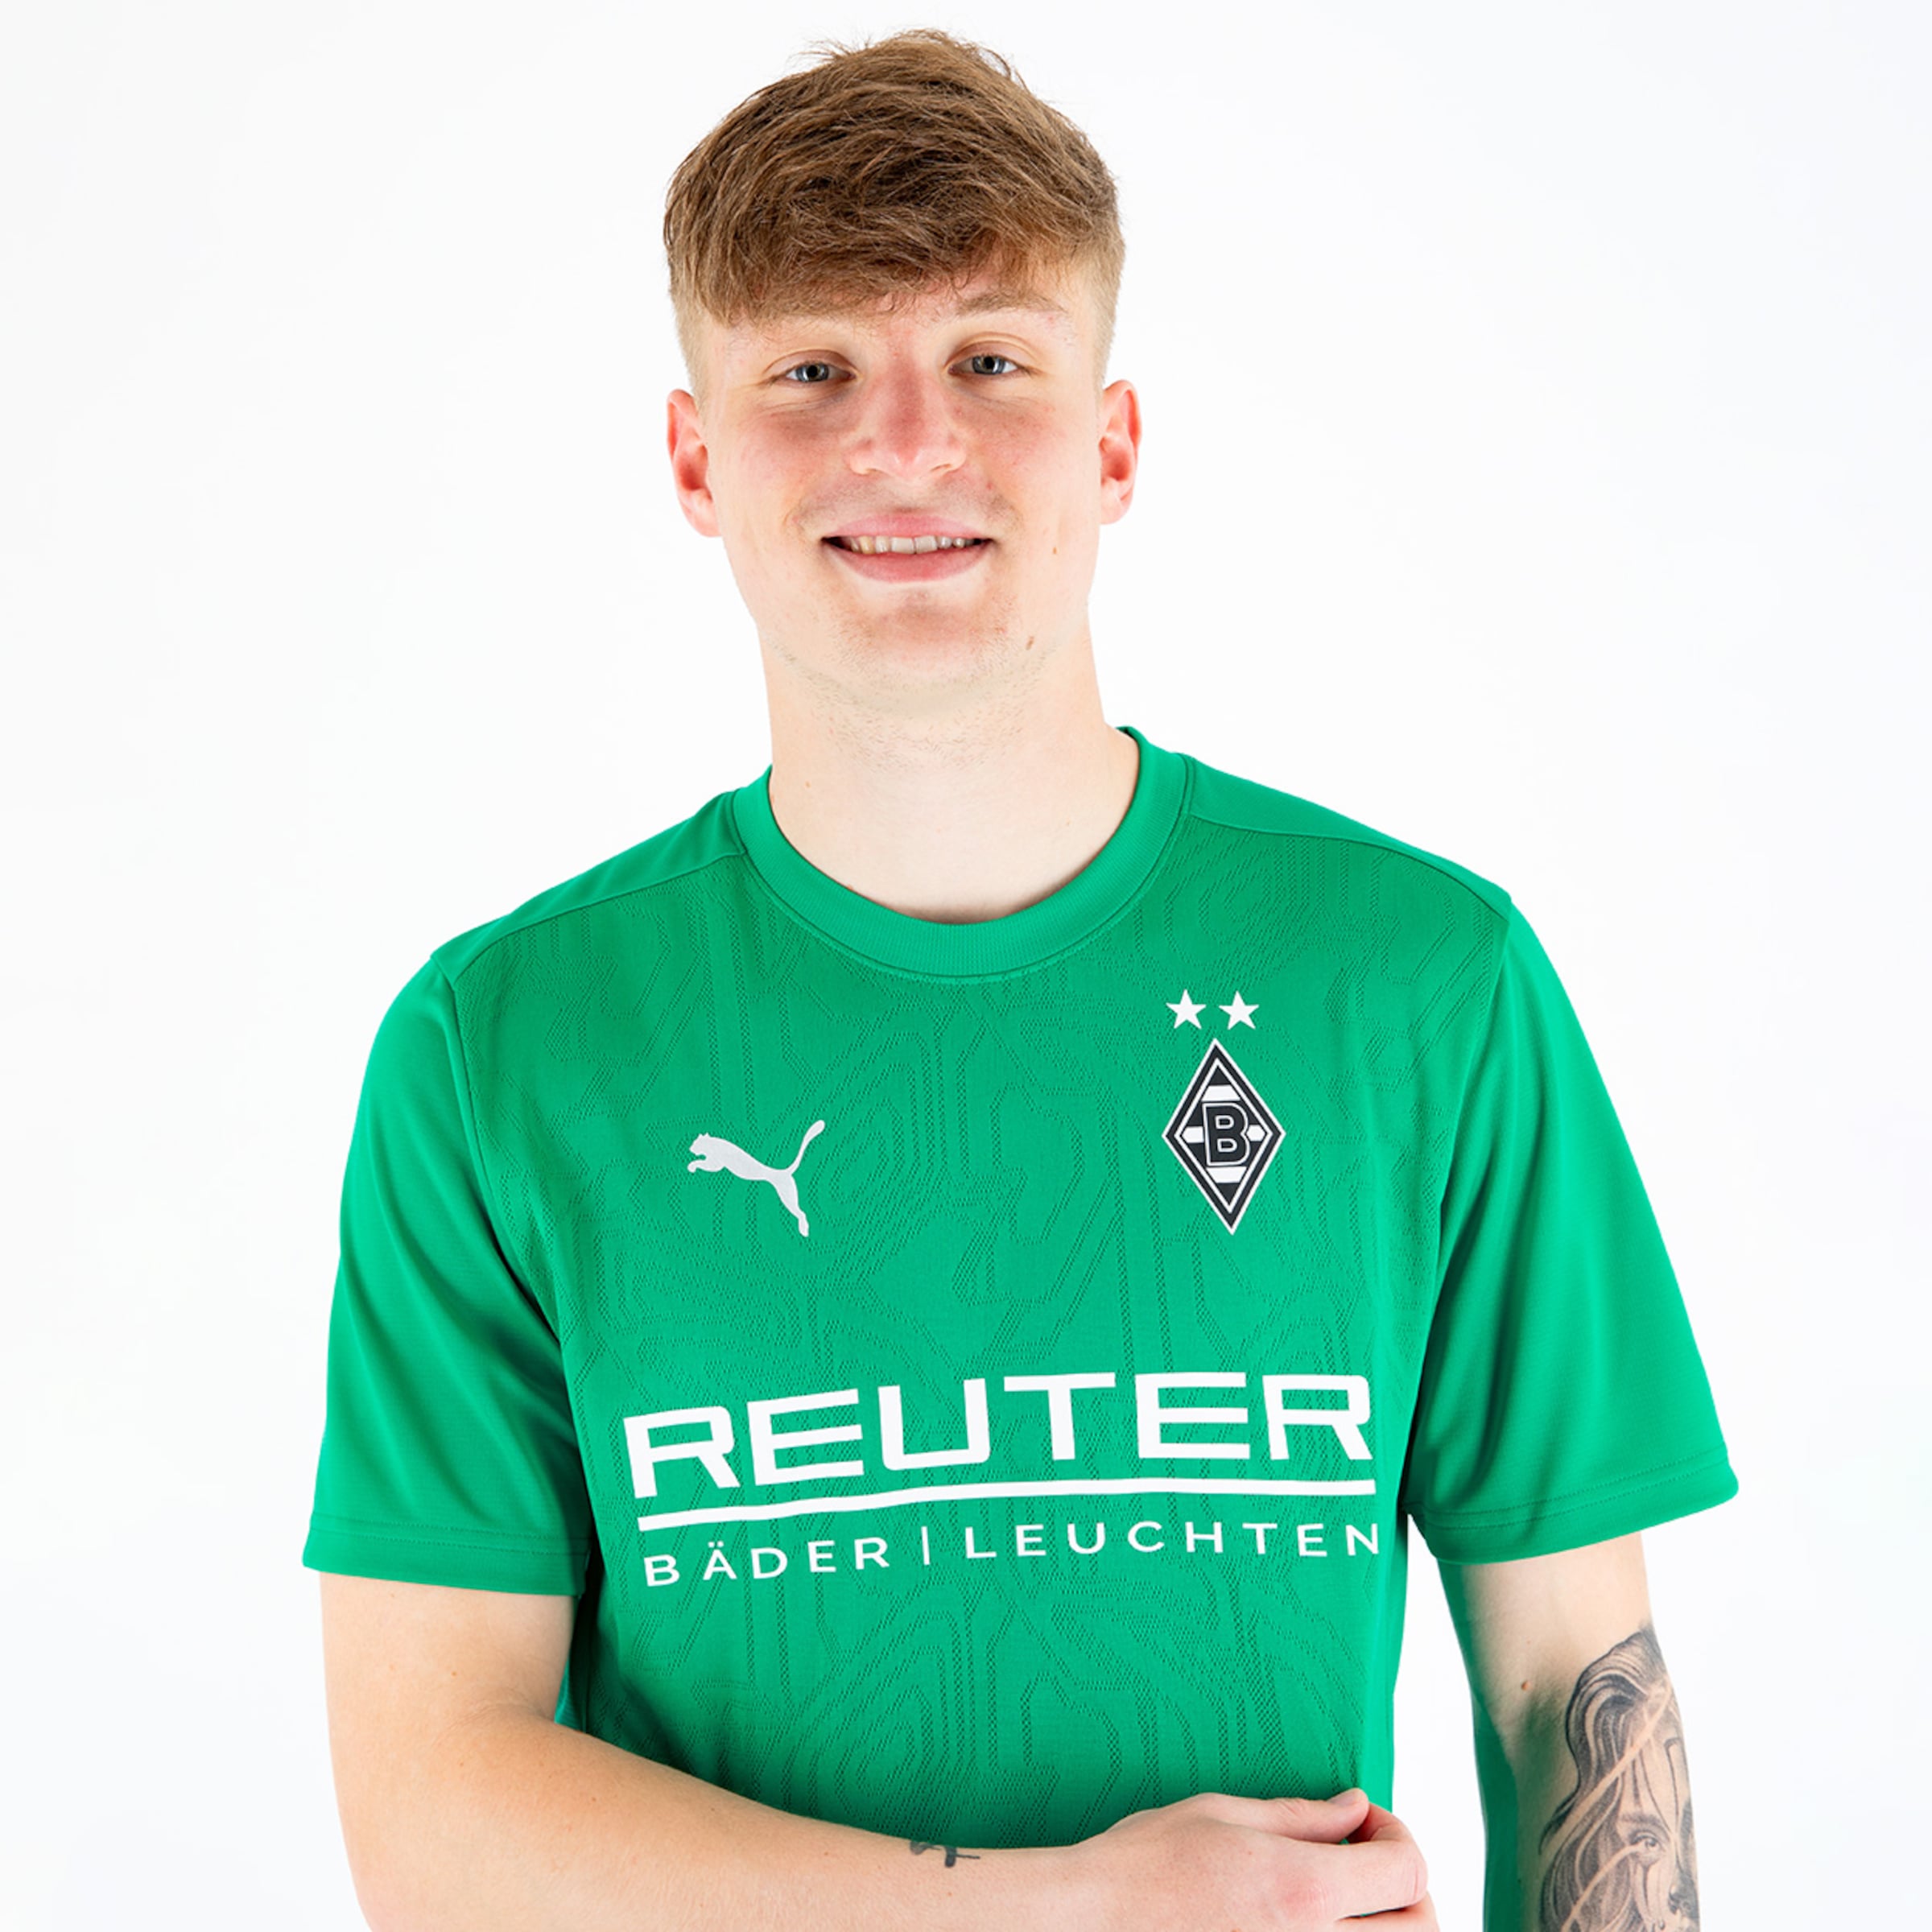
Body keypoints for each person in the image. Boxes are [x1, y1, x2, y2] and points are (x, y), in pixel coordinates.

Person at [305, 29, 1734, 1932]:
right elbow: (433, 1817)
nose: (909, 444)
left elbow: (1581, 1698)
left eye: (992, 359)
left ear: (1115, 441)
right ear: (693, 455)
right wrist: (1061, 1903)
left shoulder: (1420, 982)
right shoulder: (502, 1050)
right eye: (811, 369)